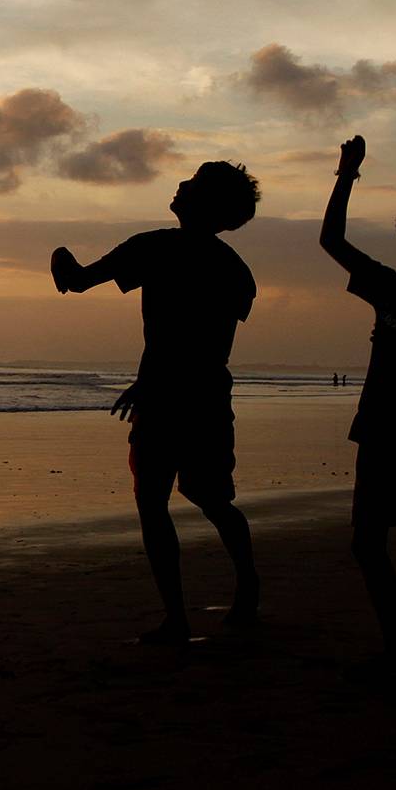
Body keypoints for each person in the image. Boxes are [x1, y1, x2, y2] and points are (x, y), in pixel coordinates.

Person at [50, 161, 261, 645]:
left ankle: (177, 618)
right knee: (210, 497)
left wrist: (60, 256)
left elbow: (77, 282)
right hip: (206, 392)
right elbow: (211, 342)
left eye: (190, 183)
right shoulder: (234, 269)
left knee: (154, 500)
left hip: (168, 393)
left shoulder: (153, 246)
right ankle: (243, 586)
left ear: (203, 201)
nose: (180, 185)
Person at [319, 134, 396, 681]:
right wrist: (346, 175)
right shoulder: (391, 288)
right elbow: (332, 240)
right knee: (367, 544)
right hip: (382, 436)